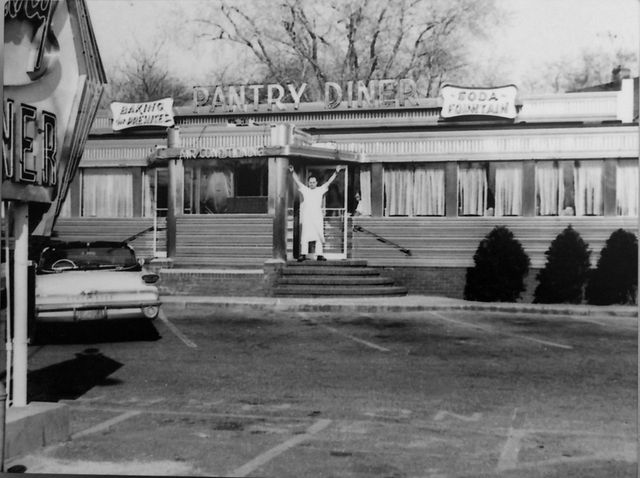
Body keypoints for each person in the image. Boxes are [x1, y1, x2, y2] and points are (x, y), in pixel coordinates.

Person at [289, 165, 343, 261]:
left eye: (313, 182)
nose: (312, 184)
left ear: (316, 183)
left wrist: (336, 172)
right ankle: (303, 254)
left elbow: (329, 182)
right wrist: (292, 172)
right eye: (310, 182)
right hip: (307, 217)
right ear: (308, 183)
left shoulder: (320, 190)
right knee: (305, 235)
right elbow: (297, 182)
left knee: (318, 235)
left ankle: (319, 255)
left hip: (317, 216)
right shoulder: (305, 190)